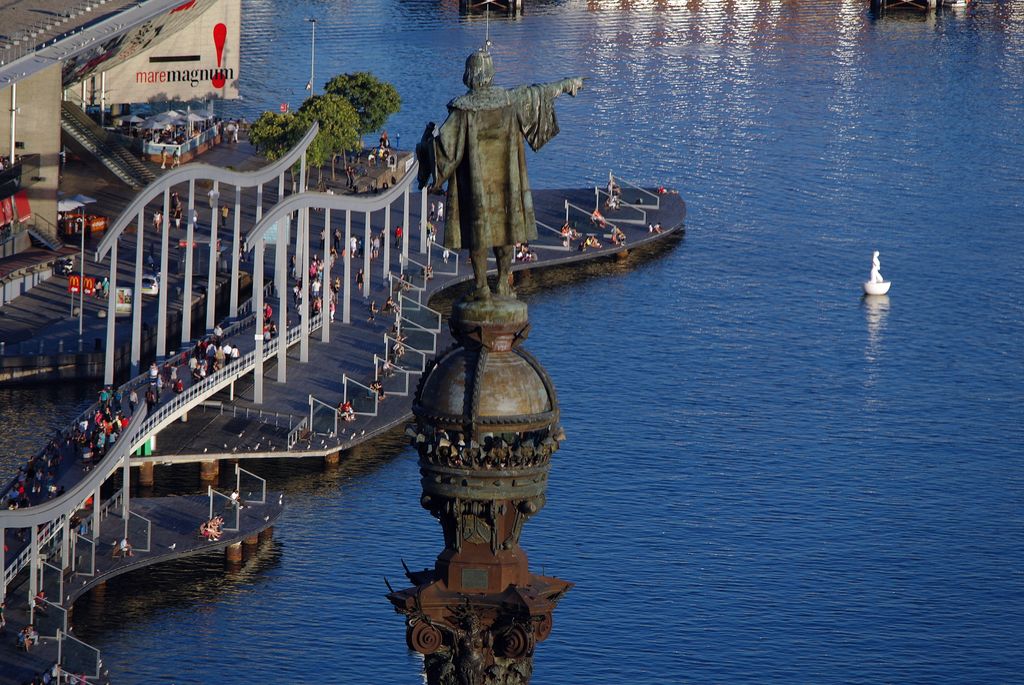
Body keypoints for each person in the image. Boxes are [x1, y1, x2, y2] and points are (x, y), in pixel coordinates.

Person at [417, 47, 583, 300]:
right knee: (506, 231)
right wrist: (568, 83)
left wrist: (424, 144)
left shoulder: (463, 111)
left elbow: (443, 152)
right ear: (491, 74)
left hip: (475, 187)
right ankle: (504, 283)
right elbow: (541, 92)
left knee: (477, 237)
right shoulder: (510, 100)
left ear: (469, 76)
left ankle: (482, 286)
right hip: (507, 182)